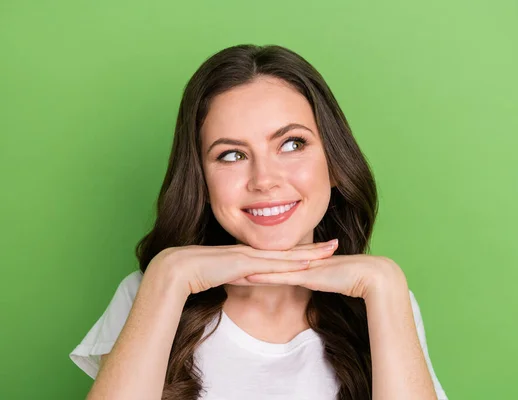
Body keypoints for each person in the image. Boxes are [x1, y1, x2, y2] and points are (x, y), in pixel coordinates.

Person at [69, 44, 449, 400]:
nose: (264, 180)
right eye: (232, 155)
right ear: (201, 180)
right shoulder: (150, 292)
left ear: (335, 163)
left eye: (292, 144)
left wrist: (385, 284)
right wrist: (168, 274)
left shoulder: (379, 300)